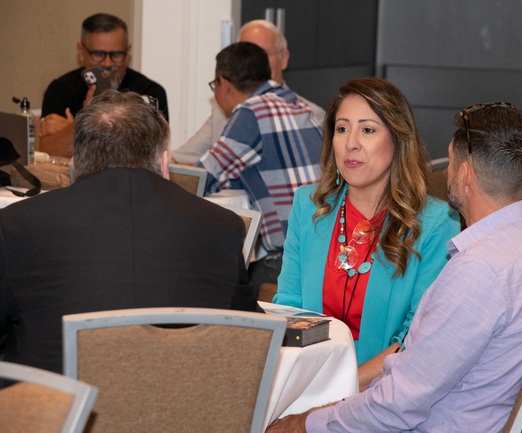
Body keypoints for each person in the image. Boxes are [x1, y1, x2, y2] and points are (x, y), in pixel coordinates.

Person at [267, 102, 522, 432]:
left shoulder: (478, 272)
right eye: (342, 129)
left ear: (465, 174)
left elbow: (395, 407)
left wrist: (303, 424)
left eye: (451, 162)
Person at [0, 90, 257, 374]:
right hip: (186, 397)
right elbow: (251, 337)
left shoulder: (15, 225)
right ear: (164, 163)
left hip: (59, 399)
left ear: (74, 163)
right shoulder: (223, 226)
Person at [272, 78, 460, 390]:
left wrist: (338, 389)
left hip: (385, 391)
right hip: (307, 381)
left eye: (368, 130)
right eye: (342, 129)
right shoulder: (309, 206)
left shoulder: (435, 223)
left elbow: (415, 340)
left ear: (398, 140)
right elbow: (288, 306)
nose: (351, 143)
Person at [197, 41, 323, 296]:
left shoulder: (250, 112)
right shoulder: (301, 105)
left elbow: (205, 178)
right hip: (323, 252)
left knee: (220, 288)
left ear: (224, 84)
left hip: (289, 261)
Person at [172, 19, 324, 164]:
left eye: (262, 54)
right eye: (245, 56)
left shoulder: (313, 116)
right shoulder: (223, 109)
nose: (253, 63)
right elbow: (182, 158)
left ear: (283, 58)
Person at [39, 13, 168, 158]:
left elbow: (149, 155)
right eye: (98, 54)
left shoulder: (150, 92)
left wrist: (79, 125)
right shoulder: (61, 89)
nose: (107, 63)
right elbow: (47, 150)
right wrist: (86, 117)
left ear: (128, 51)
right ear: (81, 50)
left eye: (117, 54)